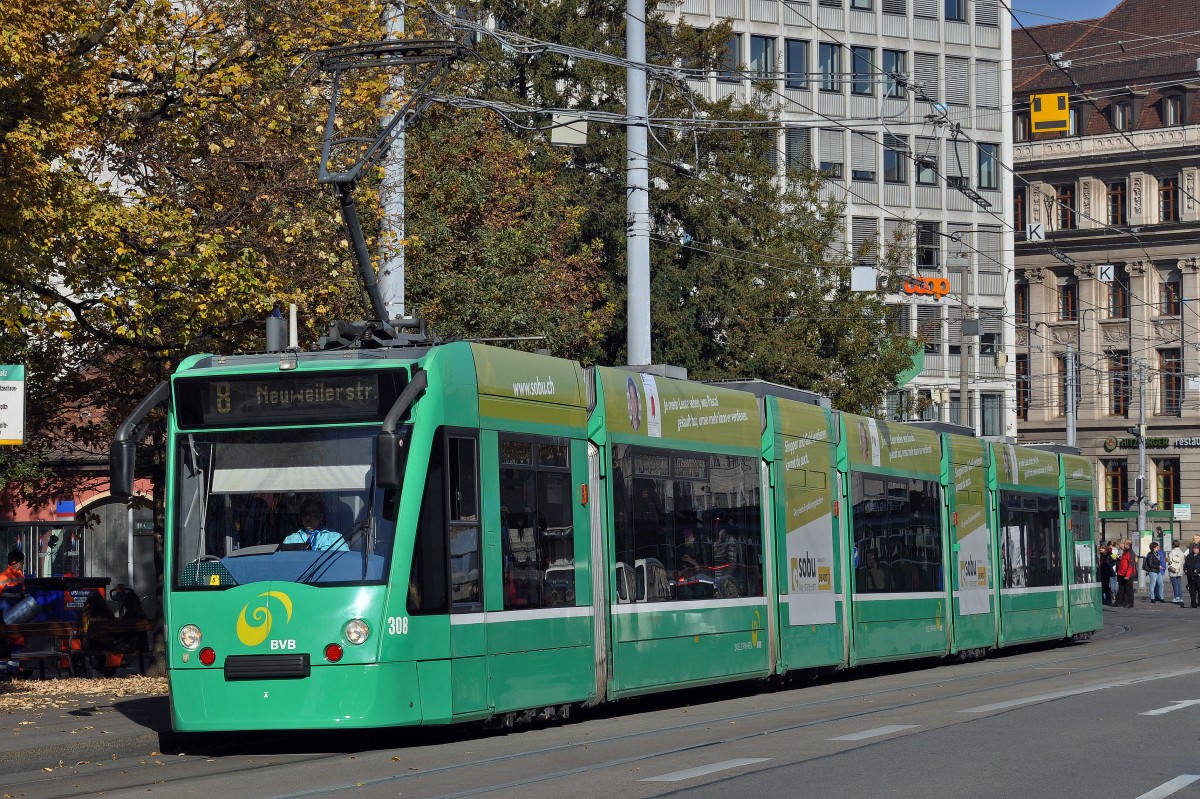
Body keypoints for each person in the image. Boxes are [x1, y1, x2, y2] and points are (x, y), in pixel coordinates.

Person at [283, 499, 349, 551]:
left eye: (313, 514)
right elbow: (283, 562)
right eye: (305, 514)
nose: (308, 517)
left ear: (321, 516)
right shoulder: (290, 540)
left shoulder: (334, 538)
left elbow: (345, 560)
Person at [1115, 539, 1137, 608]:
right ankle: (1120, 602)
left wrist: (1128, 575)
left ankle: (1130, 603)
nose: (1124, 545)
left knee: (1129, 589)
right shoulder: (1125, 552)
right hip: (1122, 573)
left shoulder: (1130, 553)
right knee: (1122, 588)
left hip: (1127, 574)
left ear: (1128, 545)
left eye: (1125, 544)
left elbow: (1130, 565)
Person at [1168, 539, 1186, 605]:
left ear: (1173, 545)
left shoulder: (1172, 552)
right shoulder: (1181, 552)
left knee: (1174, 584)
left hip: (1173, 570)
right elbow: (1183, 562)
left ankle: (1177, 597)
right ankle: (1180, 597)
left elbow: (1170, 561)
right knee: (1179, 584)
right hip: (1179, 570)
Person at [1186, 543, 1200, 608]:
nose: (1195, 550)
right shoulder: (1189, 556)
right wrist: (1185, 570)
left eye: (1196, 548)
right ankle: (1193, 603)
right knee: (1192, 590)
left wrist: (1197, 570)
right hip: (1190, 575)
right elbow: (1185, 564)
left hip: (1198, 575)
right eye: (1194, 548)